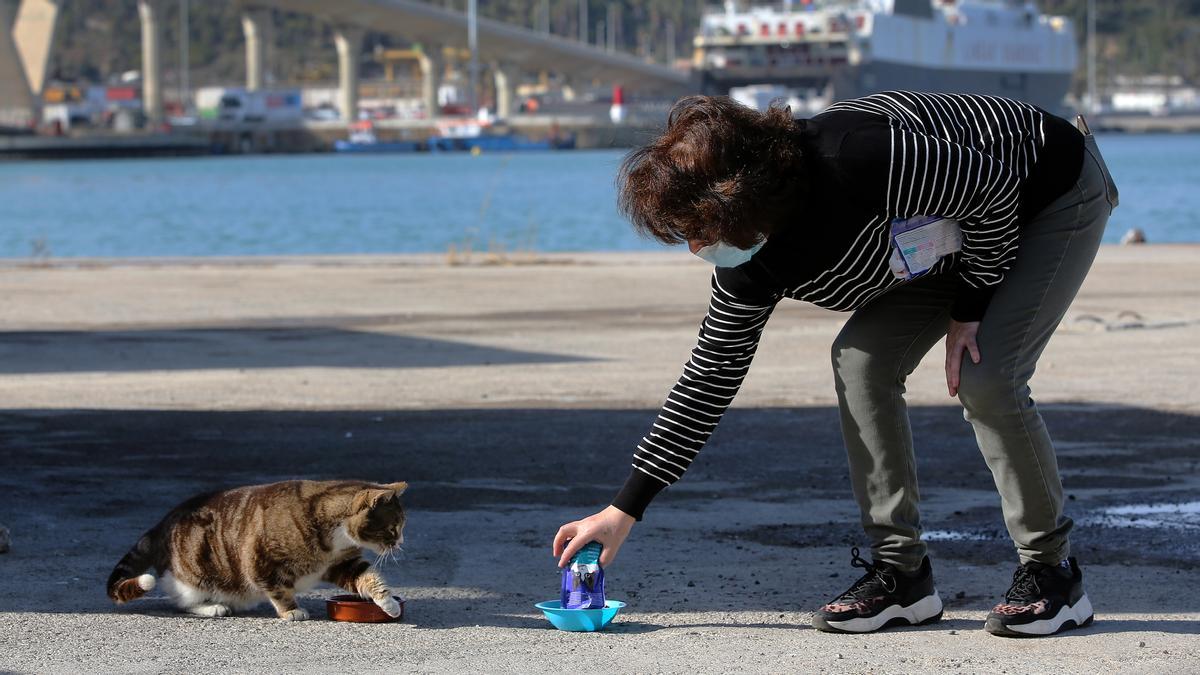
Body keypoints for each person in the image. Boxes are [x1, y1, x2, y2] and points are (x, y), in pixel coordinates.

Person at [552, 91, 1119, 637]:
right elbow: (709, 376)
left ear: (742, 199)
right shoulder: (748, 265)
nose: (698, 249)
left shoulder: (856, 158)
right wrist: (623, 510)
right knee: (860, 361)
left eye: (701, 230)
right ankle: (903, 576)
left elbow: (994, 191)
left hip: (1046, 190)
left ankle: (1053, 574)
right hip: (951, 233)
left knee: (987, 374)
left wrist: (971, 309)